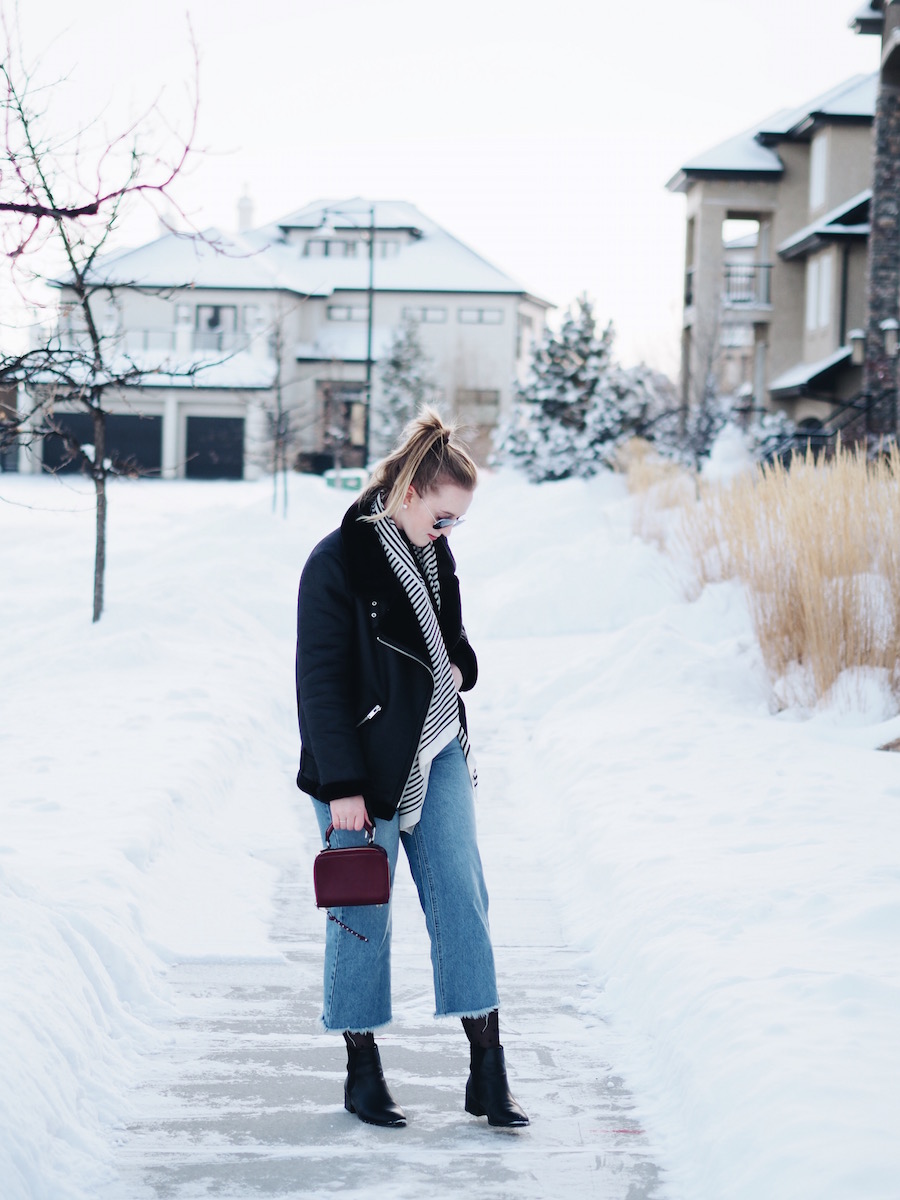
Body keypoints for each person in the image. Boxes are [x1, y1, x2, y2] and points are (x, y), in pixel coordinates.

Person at [295, 408, 528, 1129]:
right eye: (444, 514)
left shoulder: (434, 557)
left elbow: (449, 643)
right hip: (361, 771)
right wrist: (343, 789)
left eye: (458, 520)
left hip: (437, 750)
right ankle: (362, 1071)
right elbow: (320, 683)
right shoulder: (337, 563)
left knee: (462, 897)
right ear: (410, 490)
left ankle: (487, 1072)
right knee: (361, 914)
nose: (449, 529)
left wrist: (462, 665)